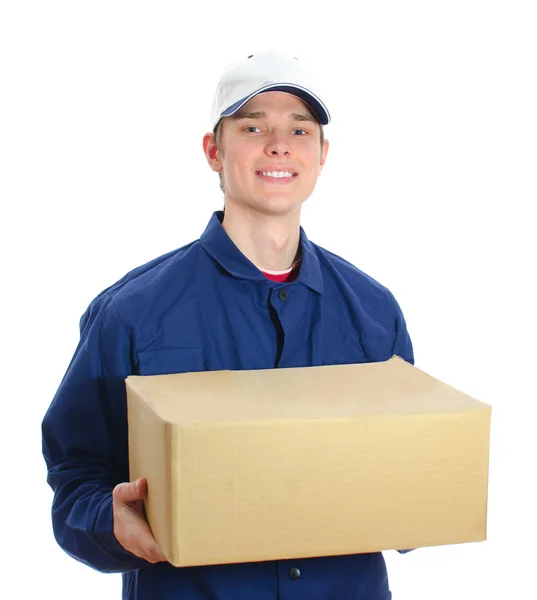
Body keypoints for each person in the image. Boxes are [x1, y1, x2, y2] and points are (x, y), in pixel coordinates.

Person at [42, 50, 414, 600]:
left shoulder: (373, 309)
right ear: (213, 152)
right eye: (252, 126)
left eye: (299, 129)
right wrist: (109, 521)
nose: (279, 144)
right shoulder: (133, 313)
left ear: (322, 154)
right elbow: (76, 475)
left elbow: (407, 459)